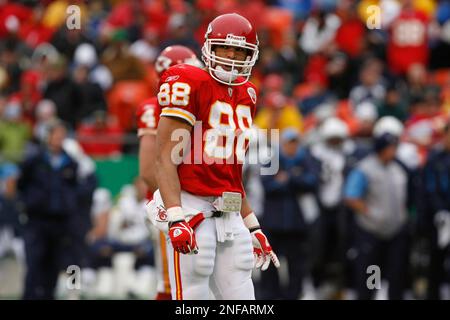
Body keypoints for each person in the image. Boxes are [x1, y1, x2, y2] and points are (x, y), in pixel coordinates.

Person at [148, 13, 280, 300]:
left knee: (243, 298)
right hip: (193, 206)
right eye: (224, 48)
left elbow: (232, 174)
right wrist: (175, 217)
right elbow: (164, 159)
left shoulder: (248, 93)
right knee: (194, 296)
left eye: (239, 50)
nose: (231, 56)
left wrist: (253, 225)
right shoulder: (189, 80)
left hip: (231, 212)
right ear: (209, 47)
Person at [136, 44, 202, 300]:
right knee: (172, 283)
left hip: (194, 204)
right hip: (173, 207)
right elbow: (148, 170)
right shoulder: (155, 108)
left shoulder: (199, 103)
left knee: (195, 282)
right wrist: (177, 204)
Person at [17, 119, 80, 299]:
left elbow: (74, 188)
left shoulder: (70, 162)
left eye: (62, 134)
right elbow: (22, 183)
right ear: (48, 136)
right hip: (37, 219)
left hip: (60, 220)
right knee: (34, 262)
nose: (59, 138)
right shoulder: (35, 160)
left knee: (54, 264)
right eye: (56, 134)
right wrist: (29, 202)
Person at [344, 132, 411, 299]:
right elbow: (351, 197)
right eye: (390, 147)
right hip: (371, 231)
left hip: (395, 231)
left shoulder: (398, 168)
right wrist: (372, 214)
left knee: (396, 273)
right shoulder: (365, 168)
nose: (393, 151)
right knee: (371, 273)